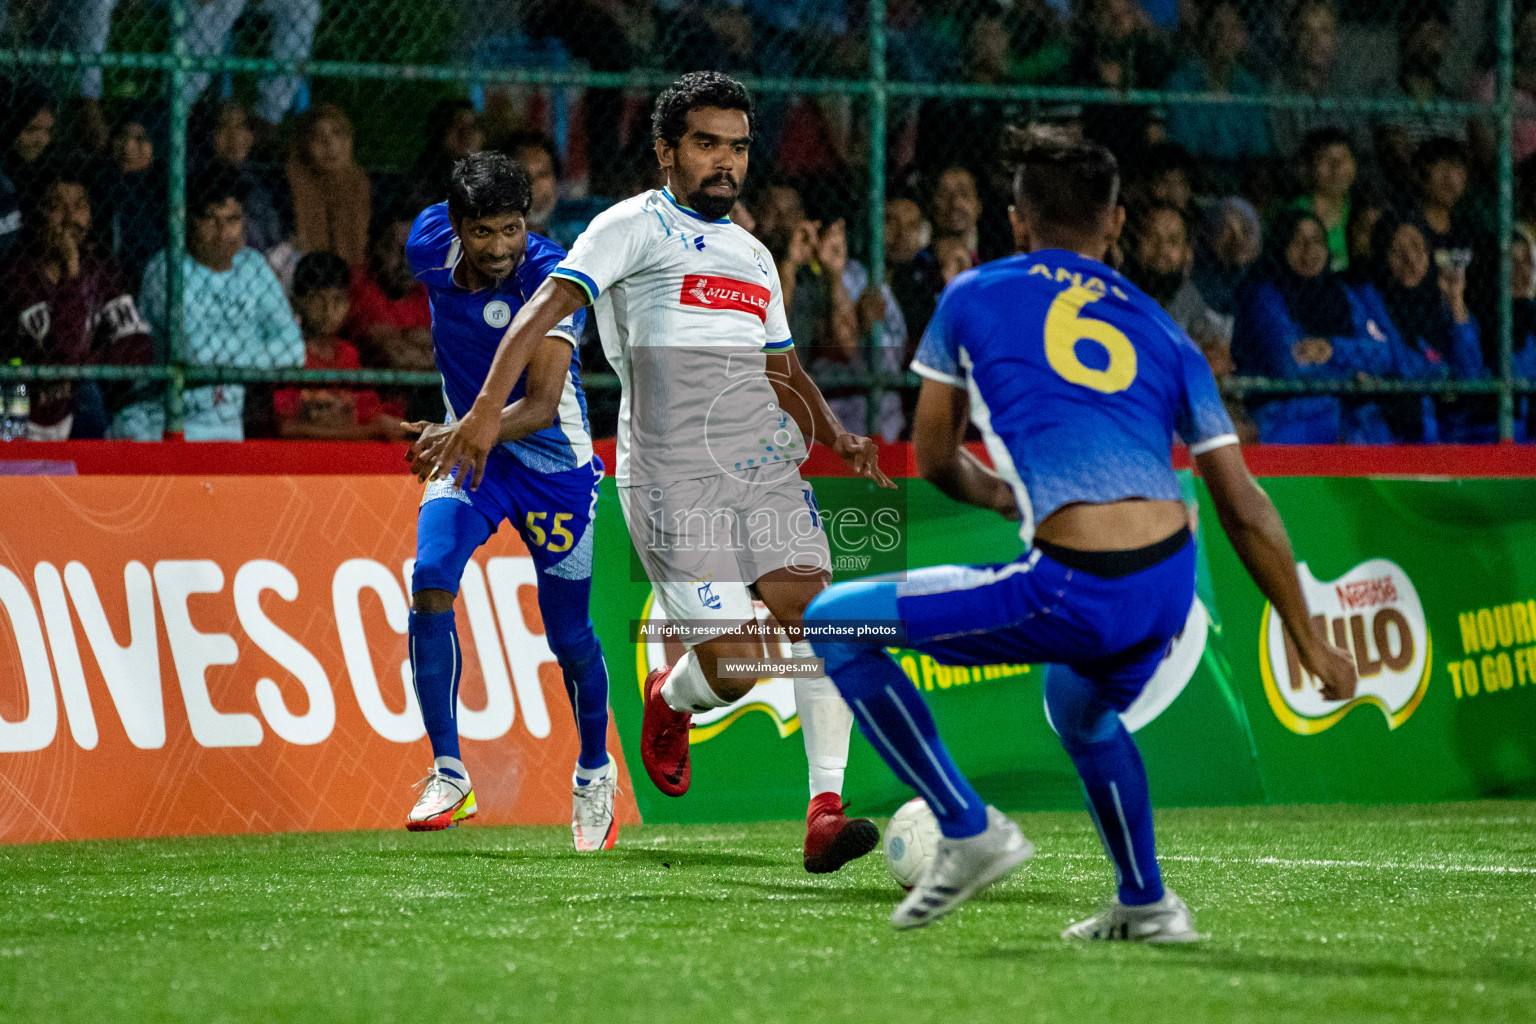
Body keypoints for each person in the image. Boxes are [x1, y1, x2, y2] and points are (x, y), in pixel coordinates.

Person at [801, 126, 1357, 936]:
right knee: (1079, 703)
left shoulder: (971, 297)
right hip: (1169, 583)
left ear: (1017, 222)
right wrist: (1308, 639)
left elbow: (933, 456)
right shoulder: (1167, 333)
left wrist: (1001, 498)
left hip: (1076, 583)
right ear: (1119, 223)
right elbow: (1244, 505)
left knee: (834, 621)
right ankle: (1146, 902)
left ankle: (967, 829)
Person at [417, 72, 895, 874]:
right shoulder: (625, 229)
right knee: (736, 669)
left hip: (763, 468)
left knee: (825, 621)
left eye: (739, 147)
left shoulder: (754, 255)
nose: (727, 162)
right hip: (671, 479)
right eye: (708, 144)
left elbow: (782, 370)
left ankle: (824, 810)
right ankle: (671, 697)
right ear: (666, 149)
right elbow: (538, 314)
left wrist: (838, 434)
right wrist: (481, 417)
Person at [393, 152, 618, 851]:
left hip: (554, 467)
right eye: (484, 231)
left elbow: (545, 406)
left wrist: (456, 431)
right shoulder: (427, 246)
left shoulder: (551, 276)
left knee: (569, 638)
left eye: (513, 229)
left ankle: (592, 770)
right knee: (430, 577)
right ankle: (449, 773)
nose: (499, 248)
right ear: (457, 226)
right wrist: (462, 439)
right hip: (475, 460)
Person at [111, 170, 303, 441]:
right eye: (210, 219)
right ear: (188, 220)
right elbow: (196, 354)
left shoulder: (253, 266)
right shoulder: (167, 269)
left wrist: (224, 349)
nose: (223, 232)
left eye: (232, 219)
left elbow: (294, 351)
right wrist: (257, 344)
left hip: (226, 424)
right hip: (159, 422)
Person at [0, 164, 152, 439]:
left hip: (72, 404)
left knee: (89, 392)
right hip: (19, 404)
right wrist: (71, 272)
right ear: (37, 214)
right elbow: (60, 353)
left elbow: (137, 347)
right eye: (58, 206)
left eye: (80, 205)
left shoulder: (98, 269)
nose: (71, 218)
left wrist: (82, 368)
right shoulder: (15, 276)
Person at [1232, 209, 1408, 444]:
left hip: (1347, 416)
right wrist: (1354, 374)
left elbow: (1384, 354)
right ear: (1281, 246)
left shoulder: (1343, 294)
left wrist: (1332, 348)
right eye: (1297, 241)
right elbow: (1290, 365)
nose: (1309, 249)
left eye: (1317, 240)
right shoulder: (1267, 297)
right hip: (1287, 417)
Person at [1366, 213, 1488, 443]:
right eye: (1396, 251)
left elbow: (1471, 374)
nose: (1410, 259)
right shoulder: (1369, 303)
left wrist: (1455, 300)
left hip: (1448, 433)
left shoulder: (1443, 306)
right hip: (1391, 433)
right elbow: (1392, 365)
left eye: (1417, 248)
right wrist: (1440, 379)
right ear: (1382, 257)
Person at [274, 252, 407, 441]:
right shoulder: (289, 354)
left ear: (348, 304)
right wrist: (367, 432)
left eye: (337, 300)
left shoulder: (348, 354)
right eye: (317, 299)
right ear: (297, 302)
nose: (328, 310)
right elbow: (287, 429)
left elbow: (368, 413)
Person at [1123, 203, 1232, 352]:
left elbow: (1217, 360)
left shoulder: (1201, 311)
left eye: (1173, 241)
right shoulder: (1117, 296)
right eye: (1152, 237)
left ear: (1188, 254)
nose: (1162, 249)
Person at [285, 103, 372, 267]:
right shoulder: (293, 181)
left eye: (337, 134)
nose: (330, 144)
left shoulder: (358, 182)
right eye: (318, 137)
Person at [1288, 128, 1357, 273]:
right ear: (1307, 168)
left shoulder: (1361, 206)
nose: (1337, 167)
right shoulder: (1295, 214)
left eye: (1344, 157)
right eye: (1325, 159)